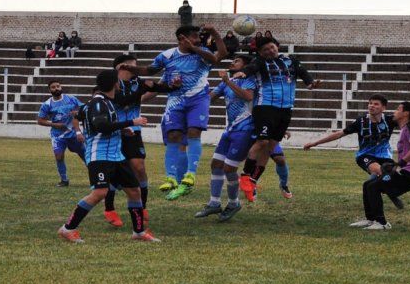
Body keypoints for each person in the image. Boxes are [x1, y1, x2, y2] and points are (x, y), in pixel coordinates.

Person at [118, 25, 228, 201]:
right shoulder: (167, 55)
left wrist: (211, 36)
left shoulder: (202, 53)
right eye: (194, 37)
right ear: (181, 38)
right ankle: (171, 177)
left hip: (198, 99)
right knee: (173, 136)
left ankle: (191, 174)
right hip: (175, 100)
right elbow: (149, 71)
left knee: (193, 132)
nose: (198, 39)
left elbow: (218, 57)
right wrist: (130, 69)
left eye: (198, 37)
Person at [57, 69, 160, 243]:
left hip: (115, 155)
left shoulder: (105, 102)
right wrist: (130, 122)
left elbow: (80, 114)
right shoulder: (99, 103)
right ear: (115, 84)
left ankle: (139, 232)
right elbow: (101, 126)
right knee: (99, 193)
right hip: (100, 156)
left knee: (134, 191)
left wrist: (121, 129)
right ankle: (68, 228)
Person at [232, 37, 321, 201]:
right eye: (265, 50)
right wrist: (244, 72)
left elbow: (304, 74)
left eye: (271, 47)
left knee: (271, 147)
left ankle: (253, 180)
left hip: (285, 109)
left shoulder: (291, 61)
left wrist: (310, 84)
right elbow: (251, 67)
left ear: (277, 47)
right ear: (260, 53)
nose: (269, 51)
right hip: (265, 107)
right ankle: (244, 175)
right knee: (262, 142)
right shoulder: (260, 62)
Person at [303, 94, 410, 209]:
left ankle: (384, 194)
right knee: (379, 172)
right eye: (370, 103)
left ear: (383, 108)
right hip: (365, 155)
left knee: (385, 178)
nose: (371, 106)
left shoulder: (390, 120)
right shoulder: (361, 121)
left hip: (385, 155)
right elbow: (339, 134)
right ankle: (381, 198)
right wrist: (315, 143)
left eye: (376, 104)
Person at [101, 54, 181, 228]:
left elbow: (160, 88)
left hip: (134, 132)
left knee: (139, 168)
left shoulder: (139, 82)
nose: (135, 69)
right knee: (114, 172)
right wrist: (142, 90)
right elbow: (122, 102)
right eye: (131, 66)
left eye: (136, 66)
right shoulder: (111, 84)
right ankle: (109, 208)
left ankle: (142, 206)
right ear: (120, 68)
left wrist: (172, 86)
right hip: (116, 131)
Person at [194, 55, 257, 221]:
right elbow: (209, 98)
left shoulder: (248, 80)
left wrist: (228, 81)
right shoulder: (225, 82)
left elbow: (249, 97)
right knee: (216, 164)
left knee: (229, 169)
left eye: (237, 61)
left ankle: (233, 203)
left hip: (245, 128)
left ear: (245, 66)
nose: (232, 62)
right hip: (230, 129)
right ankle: (214, 203)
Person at [350, 102, 410, 230]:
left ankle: (382, 223)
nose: (395, 111)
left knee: (374, 187)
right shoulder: (408, 127)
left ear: (406, 114)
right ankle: (370, 219)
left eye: (398, 109)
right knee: (368, 185)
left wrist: (399, 165)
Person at [36, 80, 86, 186]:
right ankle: (64, 180)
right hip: (57, 135)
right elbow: (40, 121)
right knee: (59, 156)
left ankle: (96, 177)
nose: (56, 88)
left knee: (84, 155)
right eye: (53, 87)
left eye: (58, 86)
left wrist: (77, 112)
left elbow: (83, 108)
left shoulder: (71, 98)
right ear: (49, 90)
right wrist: (55, 125)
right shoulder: (47, 104)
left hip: (73, 133)